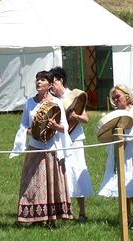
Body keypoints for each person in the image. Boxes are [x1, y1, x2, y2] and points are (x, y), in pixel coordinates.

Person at [10, 70, 72, 225]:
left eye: (43, 80)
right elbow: (23, 124)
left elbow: (65, 126)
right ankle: (33, 216)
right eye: (37, 79)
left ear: (50, 85)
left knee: (52, 182)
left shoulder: (56, 102)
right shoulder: (30, 103)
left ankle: (51, 217)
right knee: (31, 182)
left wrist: (55, 126)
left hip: (51, 148)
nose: (38, 82)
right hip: (34, 146)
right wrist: (31, 130)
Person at [97, 85, 133, 227]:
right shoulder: (115, 113)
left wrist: (125, 140)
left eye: (118, 96)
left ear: (127, 95)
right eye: (113, 98)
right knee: (121, 183)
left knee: (131, 180)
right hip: (117, 149)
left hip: (130, 152)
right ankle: (125, 216)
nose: (115, 100)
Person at [49, 66, 93, 222]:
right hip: (60, 140)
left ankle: (82, 212)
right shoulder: (52, 99)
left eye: (52, 82)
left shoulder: (73, 95)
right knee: (62, 174)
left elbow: (86, 119)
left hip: (75, 140)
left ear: (60, 81)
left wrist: (75, 116)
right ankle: (65, 211)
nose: (50, 86)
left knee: (77, 171)